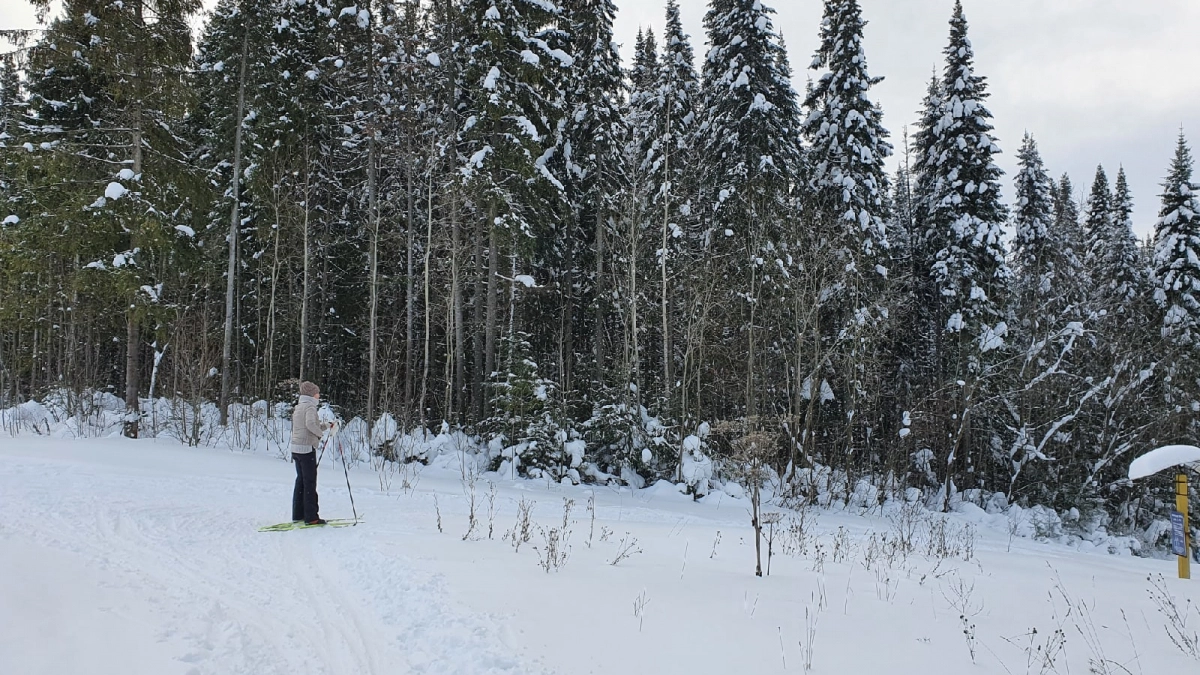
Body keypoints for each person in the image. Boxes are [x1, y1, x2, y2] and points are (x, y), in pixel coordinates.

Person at [291, 381, 334, 525]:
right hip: (306, 449)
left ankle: (298, 515)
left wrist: (326, 426)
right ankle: (311, 517)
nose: (319, 395)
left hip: (296, 448)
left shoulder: (299, 407)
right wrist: (319, 435)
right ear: (311, 395)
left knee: (301, 481)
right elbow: (310, 425)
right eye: (317, 393)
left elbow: (309, 425)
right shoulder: (310, 407)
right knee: (309, 483)